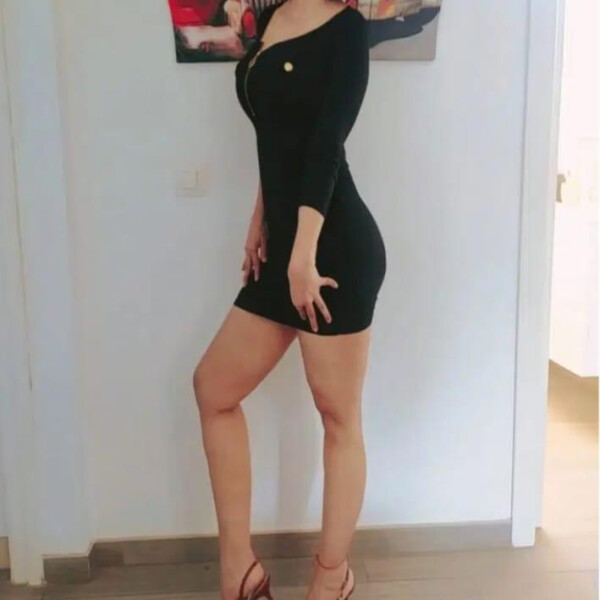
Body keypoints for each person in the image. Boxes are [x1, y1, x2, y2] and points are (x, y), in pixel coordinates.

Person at [193, 1, 386, 598]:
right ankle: (240, 570)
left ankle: (332, 576)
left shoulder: (347, 28)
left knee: (337, 414)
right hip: (287, 246)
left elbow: (325, 144)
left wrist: (303, 255)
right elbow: (278, 137)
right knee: (213, 389)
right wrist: (261, 220)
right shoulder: (274, 15)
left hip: (335, 250)